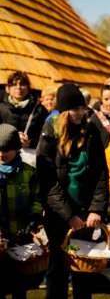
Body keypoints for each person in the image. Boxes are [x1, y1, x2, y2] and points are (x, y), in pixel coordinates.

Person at [36, 83, 109, 299]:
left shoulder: (92, 132)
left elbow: (101, 174)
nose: (80, 113)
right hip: (60, 217)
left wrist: (96, 209)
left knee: (82, 267)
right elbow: (48, 182)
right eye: (74, 108)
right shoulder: (50, 134)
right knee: (58, 269)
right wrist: (68, 215)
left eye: (82, 108)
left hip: (86, 215)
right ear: (63, 110)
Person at [0, 123, 43, 299]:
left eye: (7, 149)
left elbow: (37, 198)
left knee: (20, 284)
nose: (2, 153)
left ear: (17, 148)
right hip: (1, 238)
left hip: (21, 234)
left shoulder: (29, 172)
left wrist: (34, 216)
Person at [0, 71, 48, 149]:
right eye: (14, 84)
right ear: (8, 88)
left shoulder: (39, 110)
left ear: (28, 88)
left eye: (22, 84)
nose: (18, 87)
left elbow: (46, 136)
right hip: (4, 153)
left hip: (28, 156)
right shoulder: (1, 108)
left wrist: (30, 143)